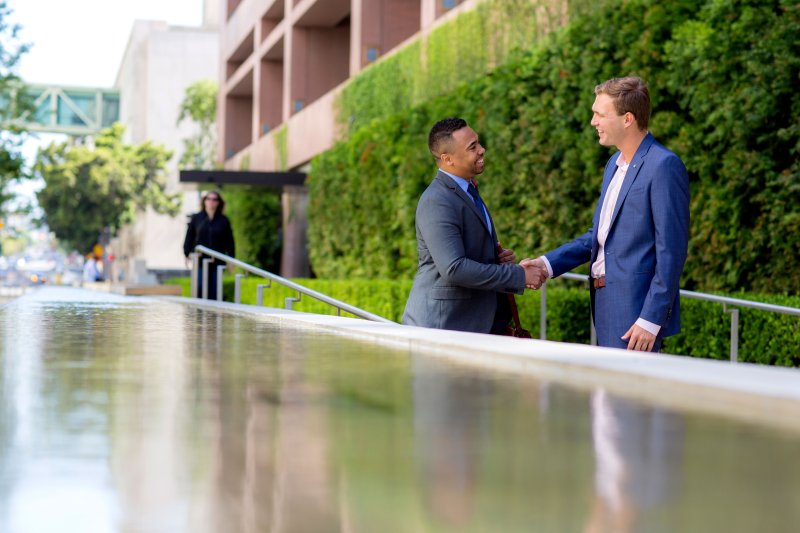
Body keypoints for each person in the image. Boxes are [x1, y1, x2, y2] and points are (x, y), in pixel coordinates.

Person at [522, 77, 689, 352]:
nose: (593, 121)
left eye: (600, 114)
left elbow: (671, 250)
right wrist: (546, 264)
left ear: (627, 119)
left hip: (637, 317)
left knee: (629, 395)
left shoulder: (664, 166)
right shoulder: (613, 164)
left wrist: (651, 319)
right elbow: (599, 237)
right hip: (605, 304)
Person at [402, 117, 543, 334]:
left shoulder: (467, 190)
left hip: (469, 326)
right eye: (472, 147)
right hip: (442, 330)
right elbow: (454, 268)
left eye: (478, 143)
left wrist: (496, 260)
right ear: (447, 159)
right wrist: (518, 276)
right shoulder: (437, 200)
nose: (482, 150)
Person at [183, 190, 236, 299]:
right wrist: (187, 253)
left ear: (218, 202)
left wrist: (231, 259)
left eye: (214, 199)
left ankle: (213, 315)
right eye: (209, 199)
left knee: (214, 290)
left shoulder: (223, 220)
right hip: (201, 261)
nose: (211, 201)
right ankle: (199, 314)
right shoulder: (197, 218)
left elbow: (230, 241)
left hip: (218, 261)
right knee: (200, 288)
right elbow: (189, 237)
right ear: (204, 201)